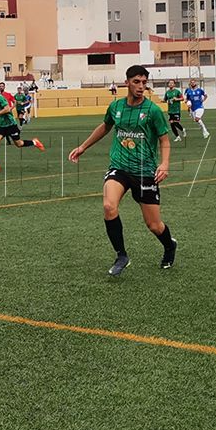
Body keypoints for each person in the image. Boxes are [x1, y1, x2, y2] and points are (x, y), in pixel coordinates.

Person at [68, 65, 176, 276]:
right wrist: (83, 147)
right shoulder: (116, 106)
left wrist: (164, 164)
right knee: (109, 206)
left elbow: (164, 140)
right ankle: (121, 255)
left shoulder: (153, 111)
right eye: (136, 82)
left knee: (154, 225)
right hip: (119, 167)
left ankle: (169, 246)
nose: (141, 86)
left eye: (144, 82)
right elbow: (105, 126)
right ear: (127, 82)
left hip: (145, 172)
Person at [0, 84, 43, 172]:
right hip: (1, 125)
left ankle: (34, 142)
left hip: (11, 124)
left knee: (19, 144)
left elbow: (7, 109)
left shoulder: (0, 98)